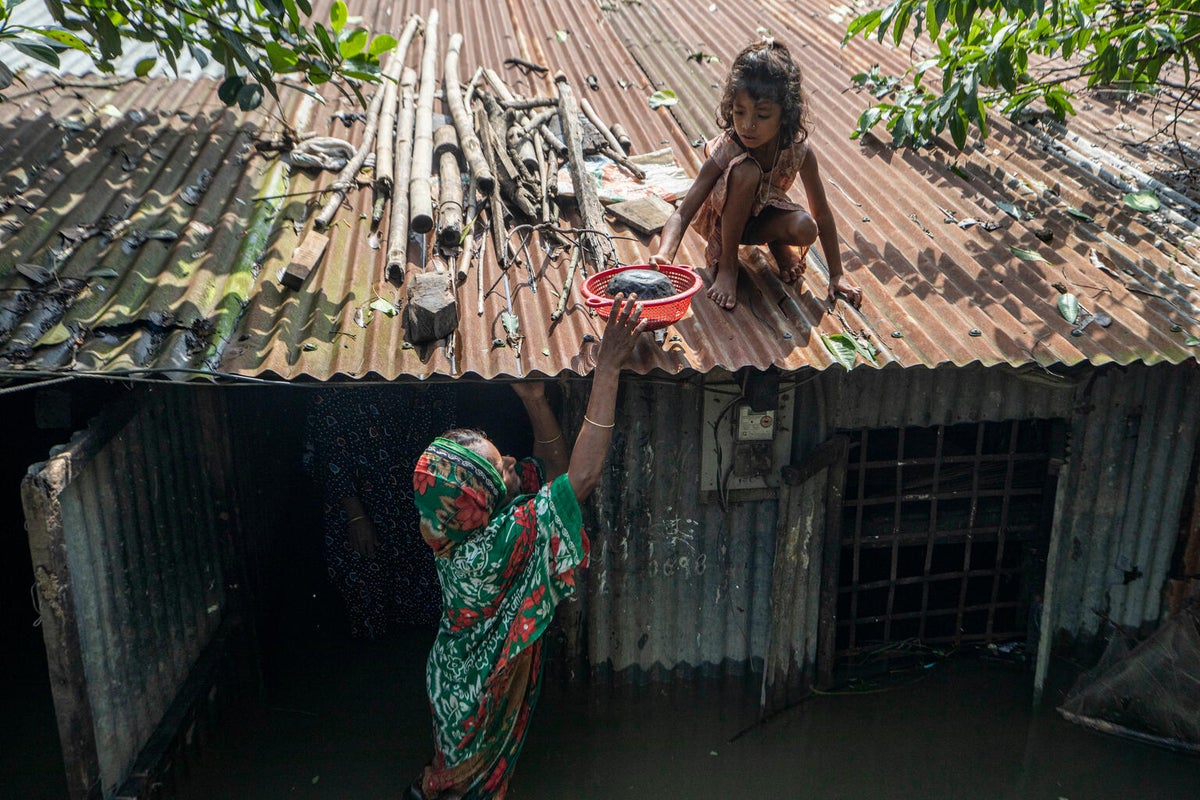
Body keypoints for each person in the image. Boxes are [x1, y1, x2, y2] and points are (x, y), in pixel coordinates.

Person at [406, 296, 645, 800]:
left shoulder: (456, 528)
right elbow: (578, 477)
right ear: (484, 499)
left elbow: (551, 472)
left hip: (457, 676)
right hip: (474, 692)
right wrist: (607, 369)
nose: (514, 460)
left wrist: (536, 402)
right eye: (504, 466)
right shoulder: (491, 548)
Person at [649, 38, 863, 311]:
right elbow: (684, 210)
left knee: (806, 227)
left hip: (761, 216)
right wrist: (664, 253)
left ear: (784, 116)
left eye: (762, 116)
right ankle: (728, 266)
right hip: (723, 220)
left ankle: (777, 245)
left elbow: (821, 214)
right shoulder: (731, 145)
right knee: (747, 171)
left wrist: (837, 275)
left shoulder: (799, 151)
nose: (748, 125)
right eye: (740, 112)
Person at [302, 384, 453, 637]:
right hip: (362, 506)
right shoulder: (335, 394)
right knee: (367, 579)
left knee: (420, 597)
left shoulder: (438, 389)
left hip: (412, 504)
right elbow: (332, 460)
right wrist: (356, 516)